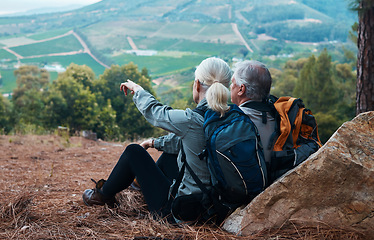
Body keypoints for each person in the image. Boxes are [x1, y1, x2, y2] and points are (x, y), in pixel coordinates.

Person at [82, 57, 232, 222]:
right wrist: (154, 143)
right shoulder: (230, 118)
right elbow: (187, 142)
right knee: (171, 154)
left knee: (134, 152)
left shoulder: (192, 120)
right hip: (216, 207)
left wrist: (137, 90)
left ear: (196, 84)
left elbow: (155, 112)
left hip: (182, 212)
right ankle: (141, 185)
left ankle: (102, 196)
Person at [230, 60, 275, 166]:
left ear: (241, 89)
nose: (230, 87)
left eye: (232, 83)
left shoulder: (233, 121)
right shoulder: (281, 116)